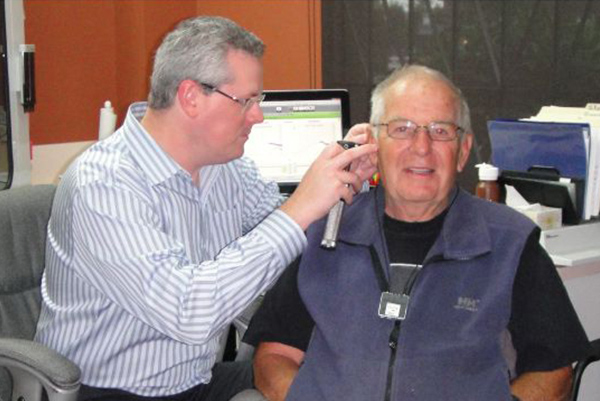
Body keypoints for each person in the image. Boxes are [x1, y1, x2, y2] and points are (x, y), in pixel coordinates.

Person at [34, 16, 377, 401]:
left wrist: (346, 180)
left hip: (194, 381)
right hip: (106, 391)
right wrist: (300, 207)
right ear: (191, 97)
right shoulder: (104, 183)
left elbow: (292, 232)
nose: (258, 116)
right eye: (246, 101)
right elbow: (188, 312)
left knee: (324, 378)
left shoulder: (225, 168)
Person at [243, 65, 591, 401]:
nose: (421, 147)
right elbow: (274, 357)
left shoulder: (510, 242)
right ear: (375, 144)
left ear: (463, 151)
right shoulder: (325, 233)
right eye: (402, 128)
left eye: (440, 130)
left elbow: (554, 372)